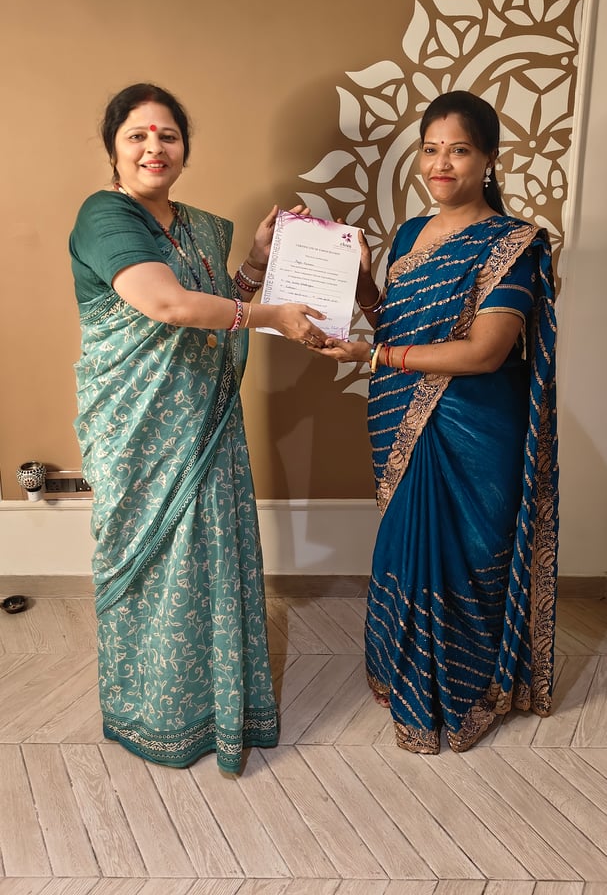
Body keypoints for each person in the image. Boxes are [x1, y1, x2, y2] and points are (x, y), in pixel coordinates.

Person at [69, 82, 327, 771]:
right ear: (114, 148)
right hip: (139, 431)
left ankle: (220, 710)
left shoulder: (203, 229)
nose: (154, 147)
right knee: (155, 570)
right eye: (137, 135)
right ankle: (155, 716)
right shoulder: (105, 216)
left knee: (210, 562)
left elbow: (217, 306)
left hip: (206, 424)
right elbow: (170, 307)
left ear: (184, 148)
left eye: (168, 135)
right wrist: (274, 316)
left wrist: (256, 263)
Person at [320, 90, 558, 753]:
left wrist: (373, 356)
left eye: (459, 150)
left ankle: (466, 689)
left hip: (475, 428)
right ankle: (405, 672)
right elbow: (393, 325)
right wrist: (361, 287)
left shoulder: (512, 244)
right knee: (404, 545)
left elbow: (485, 353)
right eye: (430, 149)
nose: (441, 164)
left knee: (468, 559)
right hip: (403, 418)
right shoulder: (407, 236)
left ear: (488, 159)